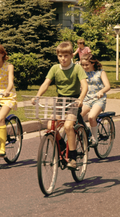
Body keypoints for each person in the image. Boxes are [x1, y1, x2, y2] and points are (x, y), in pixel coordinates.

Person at [34, 41, 88, 170]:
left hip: (74, 100)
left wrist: (80, 99)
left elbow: (85, 86)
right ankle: (63, 146)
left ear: (71, 56)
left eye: (66, 56)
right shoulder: (55, 68)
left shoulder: (77, 68)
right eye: (60, 56)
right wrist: (38, 96)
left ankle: (73, 157)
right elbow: (46, 83)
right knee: (50, 126)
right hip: (60, 100)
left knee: (68, 126)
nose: (63, 59)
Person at [80, 54, 111, 147]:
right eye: (82, 65)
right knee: (77, 117)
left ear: (93, 63)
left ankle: (94, 138)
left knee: (91, 116)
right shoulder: (82, 73)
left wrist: (101, 91)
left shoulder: (100, 72)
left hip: (99, 99)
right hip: (87, 99)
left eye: (86, 65)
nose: (84, 67)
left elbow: (108, 86)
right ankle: (86, 130)